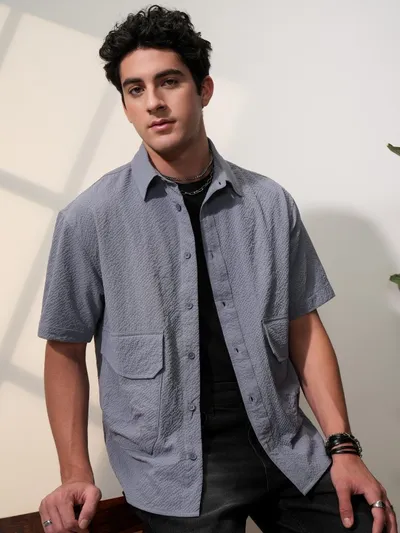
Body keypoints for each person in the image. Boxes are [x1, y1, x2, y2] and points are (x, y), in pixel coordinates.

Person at [37, 5, 396, 533]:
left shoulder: (269, 203)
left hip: (283, 446)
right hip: (170, 469)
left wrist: (343, 448)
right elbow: (65, 349)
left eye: (169, 81)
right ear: (126, 106)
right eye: (135, 89)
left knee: (371, 524)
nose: (154, 102)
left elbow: (304, 327)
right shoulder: (89, 219)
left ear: (203, 89)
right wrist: (74, 472)